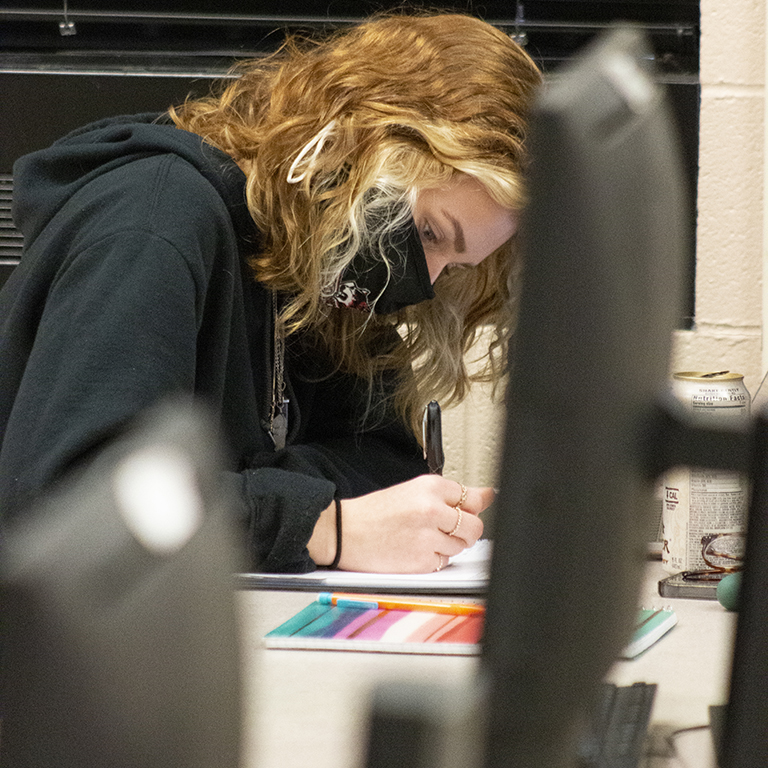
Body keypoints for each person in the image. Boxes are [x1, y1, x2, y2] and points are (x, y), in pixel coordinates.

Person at [0, 12, 541, 573]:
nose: (423, 281)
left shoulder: (312, 252)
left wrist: (265, 494)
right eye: (429, 233)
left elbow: (383, 466)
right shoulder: (153, 224)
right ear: (356, 147)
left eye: (454, 266)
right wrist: (319, 526)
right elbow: (82, 505)